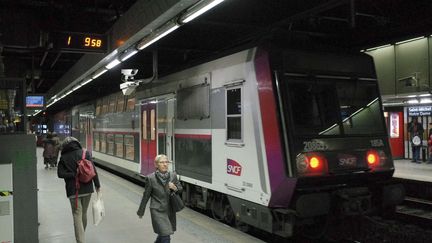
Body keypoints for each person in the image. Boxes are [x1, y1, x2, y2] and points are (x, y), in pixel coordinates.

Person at [57, 136, 101, 243]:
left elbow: (60, 174)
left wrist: (73, 174)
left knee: (77, 215)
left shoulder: (64, 157)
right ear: (76, 143)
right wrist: (97, 186)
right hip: (87, 189)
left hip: (73, 191)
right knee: (84, 213)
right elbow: (93, 170)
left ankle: (80, 240)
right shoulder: (85, 153)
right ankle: (81, 234)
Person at [137, 154, 183, 243]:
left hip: (170, 210)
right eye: (162, 162)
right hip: (157, 210)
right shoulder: (151, 178)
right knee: (166, 236)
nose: (165, 164)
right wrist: (141, 211)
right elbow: (146, 196)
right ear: (156, 165)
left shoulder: (173, 175)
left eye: (166, 162)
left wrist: (174, 188)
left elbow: (180, 189)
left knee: (163, 234)